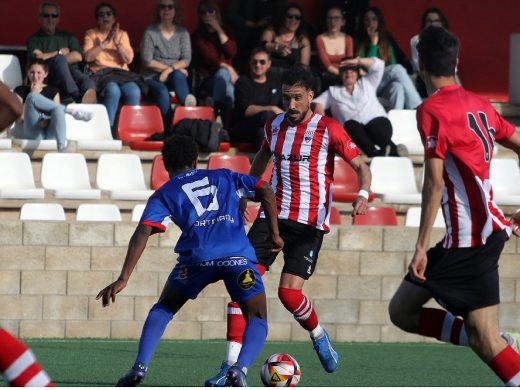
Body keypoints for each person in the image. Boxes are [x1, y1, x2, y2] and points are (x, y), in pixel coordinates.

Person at [205, 65, 372, 386]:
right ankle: (230, 368)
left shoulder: (329, 129)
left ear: (311, 96)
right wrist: (244, 195)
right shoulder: (274, 126)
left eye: (297, 98)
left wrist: (362, 194)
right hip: (271, 219)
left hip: (309, 225)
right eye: (286, 98)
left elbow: (362, 168)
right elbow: (261, 160)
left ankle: (319, 335)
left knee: (288, 294)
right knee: (241, 288)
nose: (291, 105)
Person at [388, 26, 520, 386]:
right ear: (457, 62)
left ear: (419, 63)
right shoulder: (481, 104)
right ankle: (496, 342)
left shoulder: (431, 110)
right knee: (402, 310)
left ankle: (500, 347)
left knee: (486, 340)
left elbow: (434, 181)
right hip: (477, 236)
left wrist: (419, 246)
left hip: (470, 242)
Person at [97, 134, 283, 387]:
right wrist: (274, 234)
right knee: (257, 317)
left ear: (165, 165)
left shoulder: (163, 193)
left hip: (196, 262)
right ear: (196, 161)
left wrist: (123, 278)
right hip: (237, 259)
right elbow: (265, 189)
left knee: (164, 308)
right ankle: (239, 369)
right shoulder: (224, 176)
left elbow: (143, 230)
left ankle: (139, 368)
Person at [312, 56, 405, 157]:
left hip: (379, 126)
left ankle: (392, 150)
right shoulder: (333, 92)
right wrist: (318, 107)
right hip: (355, 134)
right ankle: (378, 153)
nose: (348, 73)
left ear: (357, 72)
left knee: (373, 125)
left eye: (352, 69)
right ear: (340, 73)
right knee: (350, 125)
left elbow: (379, 65)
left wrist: (357, 61)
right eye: (344, 70)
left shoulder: (367, 82)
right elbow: (316, 102)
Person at [84, 2, 143, 128]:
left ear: (114, 18)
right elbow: (88, 57)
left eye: (108, 14)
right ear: (97, 19)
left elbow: (129, 59)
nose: (105, 17)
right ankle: (107, 129)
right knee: (113, 90)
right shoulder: (91, 34)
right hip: (102, 74)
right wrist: (105, 43)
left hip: (122, 74)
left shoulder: (122, 34)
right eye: (101, 15)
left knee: (134, 91)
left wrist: (116, 43)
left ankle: (128, 129)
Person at [141, 0, 197, 133]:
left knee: (177, 75)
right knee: (162, 93)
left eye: (170, 7)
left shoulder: (182, 33)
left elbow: (186, 59)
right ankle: (166, 131)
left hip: (173, 74)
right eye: (163, 7)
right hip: (152, 77)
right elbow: (147, 60)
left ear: (175, 10)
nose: (166, 10)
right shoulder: (150, 32)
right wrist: (170, 68)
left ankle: (187, 111)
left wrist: (170, 70)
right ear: (158, 11)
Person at [14, 59, 93, 152]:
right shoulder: (20, 90)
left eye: (39, 73)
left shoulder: (53, 90)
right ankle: (71, 111)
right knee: (32, 97)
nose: (35, 76)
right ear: (28, 73)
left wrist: (47, 120)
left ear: (45, 74)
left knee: (58, 110)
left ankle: (61, 147)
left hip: (50, 130)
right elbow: (18, 117)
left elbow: (56, 114)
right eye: (32, 72)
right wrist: (32, 93)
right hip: (33, 131)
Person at [27, 2, 96, 104]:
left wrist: (47, 55)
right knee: (59, 59)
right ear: (40, 18)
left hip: (73, 74)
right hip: (50, 77)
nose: (50, 19)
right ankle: (76, 95)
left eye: (54, 15)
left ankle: (91, 113)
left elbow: (78, 57)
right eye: (46, 15)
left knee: (88, 83)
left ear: (58, 18)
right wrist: (59, 53)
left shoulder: (68, 36)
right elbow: (37, 61)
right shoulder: (33, 40)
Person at [357, 6, 421, 110]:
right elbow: (368, 69)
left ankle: (394, 124)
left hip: (382, 84)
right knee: (397, 69)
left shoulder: (386, 42)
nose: (370, 23)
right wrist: (373, 43)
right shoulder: (359, 42)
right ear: (363, 22)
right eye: (367, 20)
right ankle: (417, 107)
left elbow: (392, 64)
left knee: (397, 87)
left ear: (379, 22)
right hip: (368, 84)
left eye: (374, 19)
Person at [191, 0, 237, 123]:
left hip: (228, 80)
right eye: (203, 12)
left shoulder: (227, 31)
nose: (207, 14)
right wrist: (228, 68)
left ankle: (217, 117)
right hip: (208, 80)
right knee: (223, 75)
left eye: (211, 11)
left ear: (217, 13)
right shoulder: (198, 36)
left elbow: (231, 51)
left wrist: (218, 29)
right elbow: (210, 58)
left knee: (228, 89)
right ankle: (221, 118)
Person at [231, 47, 283, 149]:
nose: (258, 65)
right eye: (254, 62)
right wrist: (271, 108)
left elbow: (282, 109)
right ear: (250, 63)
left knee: (262, 132)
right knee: (267, 115)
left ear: (269, 64)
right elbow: (246, 110)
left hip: (266, 130)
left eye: (262, 62)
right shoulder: (243, 82)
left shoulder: (275, 84)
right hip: (245, 128)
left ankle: (267, 163)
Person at [410, 8, 461, 97]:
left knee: (454, 81)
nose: (433, 24)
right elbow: (418, 66)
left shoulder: (448, 39)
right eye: (429, 21)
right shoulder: (416, 40)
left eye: (436, 21)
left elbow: (452, 66)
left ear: (442, 23)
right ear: (424, 23)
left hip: (447, 73)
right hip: (426, 74)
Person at [224, 0, 287, 72]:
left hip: (275, 38)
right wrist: (253, 24)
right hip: (249, 39)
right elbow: (230, 14)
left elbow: (288, 13)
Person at [260, 3, 311, 78]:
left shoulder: (303, 40)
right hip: (268, 74)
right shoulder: (272, 31)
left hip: (290, 77)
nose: (293, 20)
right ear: (283, 17)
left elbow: (304, 66)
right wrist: (276, 47)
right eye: (290, 16)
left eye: (297, 17)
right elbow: (262, 44)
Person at [315, 6, 354, 90]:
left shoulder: (348, 38)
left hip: (345, 75)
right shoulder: (320, 39)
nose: (332, 21)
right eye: (330, 18)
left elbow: (349, 62)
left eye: (336, 18)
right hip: (327, 78)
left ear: (343, 22)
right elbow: (327, 66)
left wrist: (347, 75)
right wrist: (343, 75)